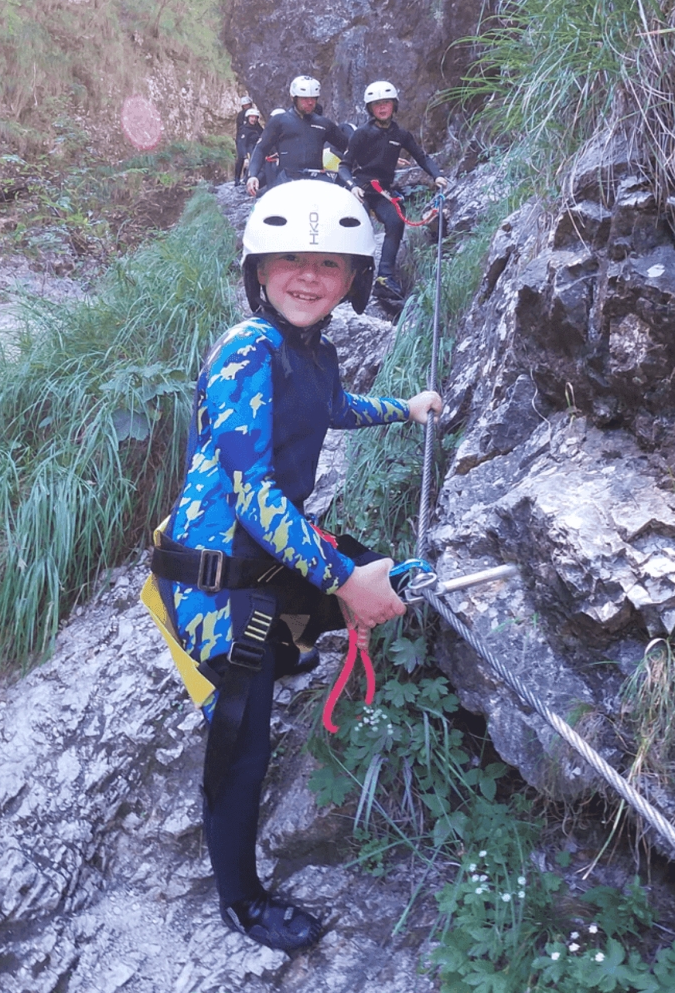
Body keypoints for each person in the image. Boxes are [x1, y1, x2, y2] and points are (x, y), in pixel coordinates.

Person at [143, 181, 442, 952]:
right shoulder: (248, 350)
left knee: (378, 574)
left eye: (328, 264)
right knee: (243, 735)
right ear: (259, 269)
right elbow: (253, 494)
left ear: (354, 279)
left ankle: (293, 639)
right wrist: (342, 580)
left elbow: (335, 408)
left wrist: (403, 408)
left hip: (261, 556)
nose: (307, 276)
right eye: (289, 260)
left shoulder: (312, 350)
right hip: (213, 574)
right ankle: (241, 901)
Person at [337, 80, 448, 308]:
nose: (382, 108)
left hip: (382, 190)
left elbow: (421, 156)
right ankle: (349, 279)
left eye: (386, 103)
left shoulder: (401, 134)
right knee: (358, 227)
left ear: (394, 105)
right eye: (377, 104)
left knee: (396, 222)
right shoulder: (362, 134)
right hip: (361, 188)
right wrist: (351, 186)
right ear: (370, 108)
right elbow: (344, 165)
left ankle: (384, 277)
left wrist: (436, 175)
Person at [245, 76, 352, 197]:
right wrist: (252, 175)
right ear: (294, 98)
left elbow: (349, 148)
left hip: (316, 180)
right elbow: (261, 149)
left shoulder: (324, 124)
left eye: (313, 98)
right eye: (305, 98)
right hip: (286, 179)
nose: (310, 102)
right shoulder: (279, 121)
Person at [234, 108, 263, 186]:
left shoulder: (258, 128)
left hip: (256, 148)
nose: (253, 119)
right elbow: (242, 143)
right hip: (246, 148)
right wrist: (245, 156)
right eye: (251, 117)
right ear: (248, 118)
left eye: (255, 117)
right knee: (241, 159)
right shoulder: (244, 129)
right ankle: (237, 179)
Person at [233, 96, 255, 185]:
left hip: (245, 139)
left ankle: (242, 178)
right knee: (243, 158)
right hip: (243, 139)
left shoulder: (243, 115)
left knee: (245, 158)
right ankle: (239, 178)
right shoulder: (243, 115)